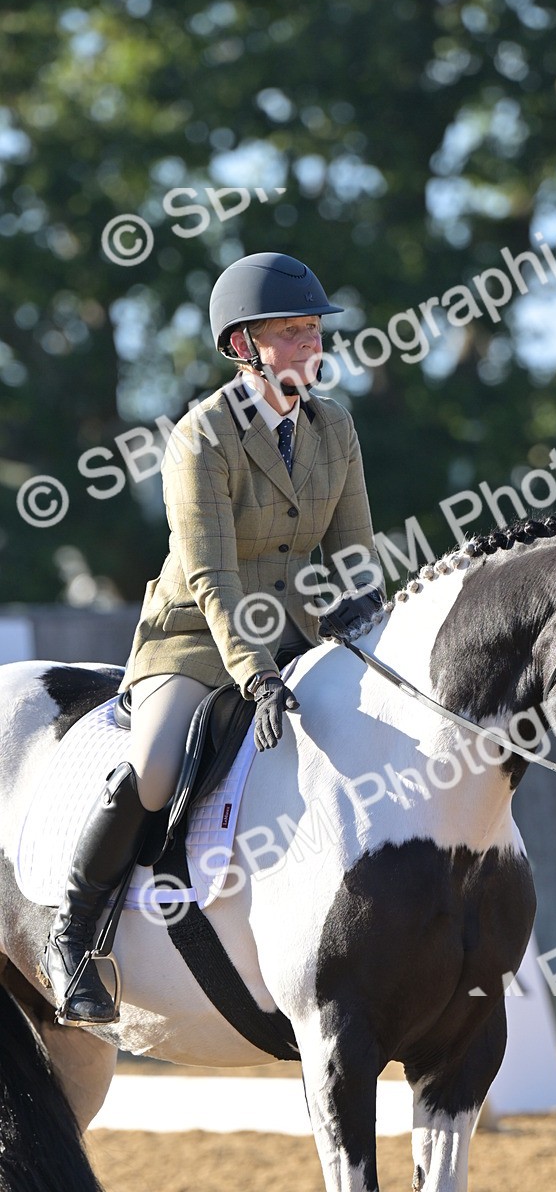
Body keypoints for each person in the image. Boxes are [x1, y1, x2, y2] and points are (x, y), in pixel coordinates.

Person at [40, 252, 385, 1026]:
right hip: (196, 637)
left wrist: (372, 632)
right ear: (242, 346)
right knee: (156, 768)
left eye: (313, 330)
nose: (310, 344)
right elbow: (213, 576)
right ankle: (75, 933)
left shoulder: (334, 426)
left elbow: (356, 557)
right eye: (289, 332)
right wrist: (256, 673)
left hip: (298, 633)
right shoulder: (202, 436)